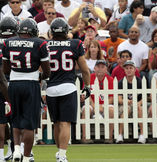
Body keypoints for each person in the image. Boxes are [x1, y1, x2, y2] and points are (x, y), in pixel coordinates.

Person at [2, 18, 50, 162]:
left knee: (16, 120)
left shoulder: (7, 43)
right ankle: (26, 156)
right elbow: (47, 71)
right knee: (30, 124)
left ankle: (16, 150)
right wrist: (40, 75)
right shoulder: (40, 43)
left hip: (14, 83)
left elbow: (5, 69)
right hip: (31, 83)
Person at [46, 18, 90, 162]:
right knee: (65, 123)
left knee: (56, 123)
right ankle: (62, 155)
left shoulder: (46, 45)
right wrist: (87, 86)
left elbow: (40, 69)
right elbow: (84, 70)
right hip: (68, 87)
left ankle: (59, 153)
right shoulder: (75, 44)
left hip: (51, 88)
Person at [81, 60, 114, 144]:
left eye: (102, 67)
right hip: (91, 104)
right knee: (86, 109)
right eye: (98, 67)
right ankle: (85, 137)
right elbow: (85, 94)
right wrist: (95, 105)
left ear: (106, 69)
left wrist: (103, 106)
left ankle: (109, 137)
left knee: (111, 110)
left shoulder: (110, 79)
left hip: (106, 105)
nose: (100, 69)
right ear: (94, 68)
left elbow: (112, 97)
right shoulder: (89, 78)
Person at [0, 17, 19, 162]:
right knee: (16, 121)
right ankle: (16, 149)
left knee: (3, 121)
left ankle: (10, 148)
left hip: (5, 84)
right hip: (14, 83)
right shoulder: (17, 43)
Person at [117, 60, 146, 144]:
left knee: (138, 108)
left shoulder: (139, 81)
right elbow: (119, 98)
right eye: (126, 68)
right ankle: (120, 135)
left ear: (134, 70)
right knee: (126, 110)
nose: (129, 70)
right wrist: (125, 101)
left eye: (131, 68)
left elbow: (144, 97)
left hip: (137, 104)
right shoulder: (121, 82)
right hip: (125, 104)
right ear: (124, 70)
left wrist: (139, 103)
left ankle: (142, 134)